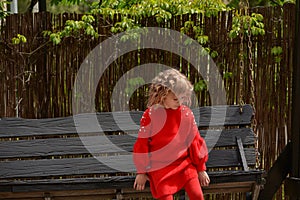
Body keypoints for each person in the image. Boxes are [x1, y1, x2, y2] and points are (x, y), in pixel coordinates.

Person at [132, 68, 210, 200]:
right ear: (163, 95)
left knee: (197, 195)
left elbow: (195, 140)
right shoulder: (150, 115)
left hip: (184, 165)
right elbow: (142, 144)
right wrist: (141, 171)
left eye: (182, 98)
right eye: (175, 98)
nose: (179, 102)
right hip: (160, 167)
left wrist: (201, 168)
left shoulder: (186, 114)